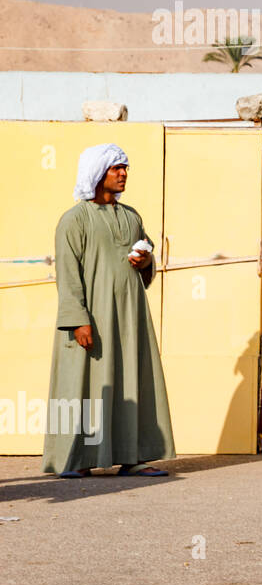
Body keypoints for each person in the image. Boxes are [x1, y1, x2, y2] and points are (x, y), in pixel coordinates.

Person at [43, 144, 175, 478]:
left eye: (125, 168)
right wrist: (77, 320)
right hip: (91, 318)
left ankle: (133, 456)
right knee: (81, 385)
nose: (123, 174)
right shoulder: (74, 220)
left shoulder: (131, 216)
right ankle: (72, 460)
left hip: (129, 318)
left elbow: (144, 263)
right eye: (116, 168)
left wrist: (145, 262)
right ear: (98, 173)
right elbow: (68, 275)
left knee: (131, 379)